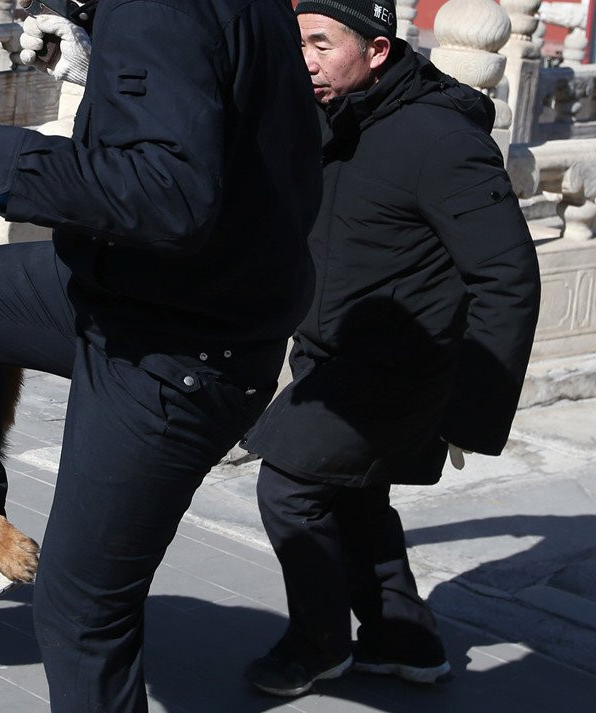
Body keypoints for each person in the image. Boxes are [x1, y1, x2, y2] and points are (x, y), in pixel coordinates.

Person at [0, 1, 322, 710]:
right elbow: (225, 111)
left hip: (180, 344)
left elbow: (169, 195)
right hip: (133, 288)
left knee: (80, 609)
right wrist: (106, 71)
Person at [240, 0, 542, 698]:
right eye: (297, 42)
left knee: (290, 485)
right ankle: (403, 638)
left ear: (376, 51)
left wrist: (474, 408)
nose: (304, 60)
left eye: (321, 44)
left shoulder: (440, 139)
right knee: (354, 499)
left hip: (402, 367)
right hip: (329, 351)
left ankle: (318, 643)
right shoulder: (331, 112)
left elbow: (507, 276)